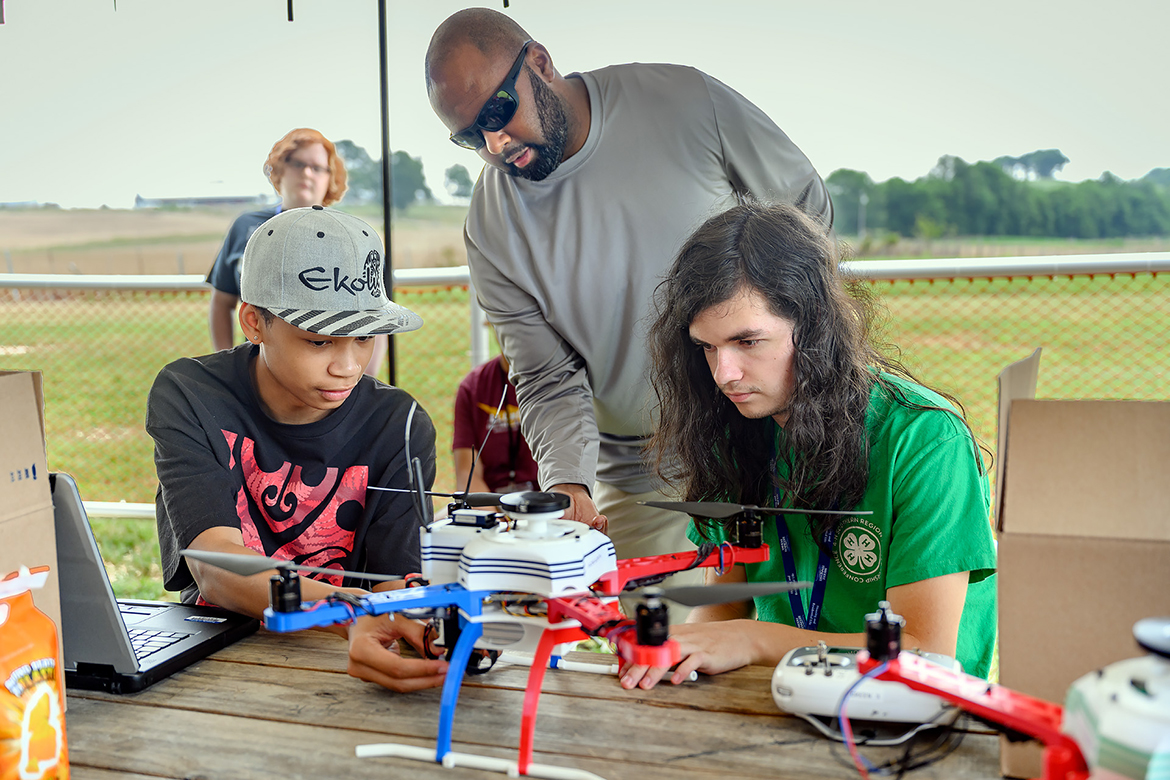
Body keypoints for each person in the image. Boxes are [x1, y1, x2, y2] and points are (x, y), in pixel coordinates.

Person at [425, 10, 833, 589]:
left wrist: (796, 376)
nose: (494, 143)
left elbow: (807, 214)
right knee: (657, 655)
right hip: (643, 471)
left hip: (777, 433)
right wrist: (567, 483)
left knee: (804, 624)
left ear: (539, 62)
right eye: (470, 137)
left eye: (497, 112)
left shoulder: (684, 102)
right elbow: (545, 375)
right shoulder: (490, 225)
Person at [620, 201, 997, 690]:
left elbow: (925, 648)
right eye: (707, 347)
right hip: (786, 693)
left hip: (907, 712)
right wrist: (675, 657)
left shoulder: (926, 441)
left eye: (748, 342)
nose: (723, 374)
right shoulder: (733, 428)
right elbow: (721, 608)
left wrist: (753, 640)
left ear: (814, 324)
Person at [148, 205, 448, 692]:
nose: (348, 366)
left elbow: (397, 580)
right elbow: (216, 565)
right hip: (219, 649)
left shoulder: (401, 424)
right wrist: (359, 610)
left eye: (364, 337)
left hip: (343, 655)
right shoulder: (190, 393)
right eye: (319, 342)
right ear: (254, 322)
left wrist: (424, 630)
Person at [205, 128, 388, 376]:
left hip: (328, 372)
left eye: (317, 167)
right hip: (261, 369)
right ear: (279, 168)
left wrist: (362, 381)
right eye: (298, 163)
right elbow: (221, 301)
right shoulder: (246, 227)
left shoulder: (351, 237)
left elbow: (375, 315)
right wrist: (228, 367)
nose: (306, 173)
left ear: (330, 177)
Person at [452, 352, 539, 495]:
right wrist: (494, 515)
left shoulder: (554, 384)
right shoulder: (473, 387)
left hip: (542, 500)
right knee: (436, 518)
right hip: (489, 500)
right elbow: (466, 474)